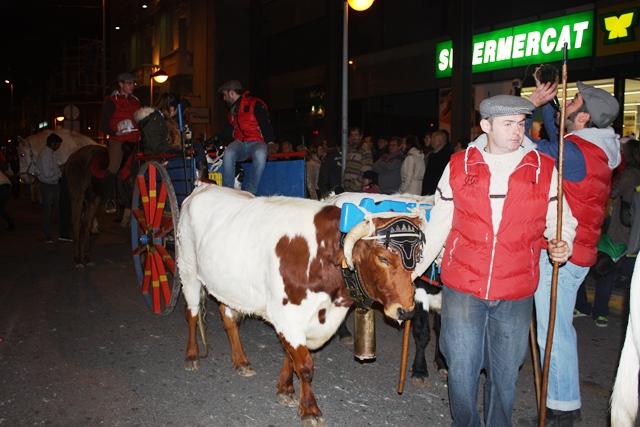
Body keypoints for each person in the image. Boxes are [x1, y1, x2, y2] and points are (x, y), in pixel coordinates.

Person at [421, 95, 575, 427]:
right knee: (461, 370)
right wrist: (413, 270)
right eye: (509, 124)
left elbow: (562, 219)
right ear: (486, 125)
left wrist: (563, 242)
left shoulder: (543, 168)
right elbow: (439, 223)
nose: (517, 131)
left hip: (517, 289)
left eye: (521, 124)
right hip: (464, 285)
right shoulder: (459, 165)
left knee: (505, 376)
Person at [528, 80, 620, 425]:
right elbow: (557, 139)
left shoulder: (577, 154)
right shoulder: (593, 149)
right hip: (577, 252)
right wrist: (550, 110)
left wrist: (530, 108)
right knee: (557, 328)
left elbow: (530, 147)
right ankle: (558, 405)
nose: (567, 101)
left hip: (560, 254)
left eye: (574, 100)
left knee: (554, 332)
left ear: (582, 119)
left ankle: (562, 411)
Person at [575, 139, 640, 327]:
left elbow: (610, 193)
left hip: (618, 231)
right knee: (613, 271)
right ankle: (599, 312)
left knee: (603, 270)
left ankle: (594, 310)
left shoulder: (629, 174)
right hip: (630, 232)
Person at [218, 80, 274, 194]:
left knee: (260, 154)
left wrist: (271, 142)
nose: (224, 98)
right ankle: (227, 192)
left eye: (225, 94)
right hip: (240, 143)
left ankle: (250, 192)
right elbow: (227, 132)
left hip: (257, 141)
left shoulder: (255, 103)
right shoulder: (232, 112)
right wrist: (215, 141)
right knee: (229, 152)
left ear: (232, 93)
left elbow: (265, 124)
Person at [101, 72, 141, 213]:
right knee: (114, 166)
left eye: (133, 83)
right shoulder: (111, 101)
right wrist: (114, 133)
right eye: (129, 83)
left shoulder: (136, 101)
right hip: (118, 140)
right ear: (121, 84)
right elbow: (104, 125)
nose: (132, 86)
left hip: (136, 140)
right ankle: (109, 199)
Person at [36, 133, 64, 243]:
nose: (59, 147)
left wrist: (59, 170)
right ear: (53, 143)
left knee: (55, 209)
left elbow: (55, 169)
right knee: (47, 210)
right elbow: (48, 173)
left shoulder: (52, 153)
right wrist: (59, 173)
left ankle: (54, 232)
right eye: (58, 144)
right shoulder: (45, 154)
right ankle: (47, 234)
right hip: (48, 185)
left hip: (53, 184)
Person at [421, 129, 453, 195]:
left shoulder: (447, 157)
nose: (431, 140)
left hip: (439, 193)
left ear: (440, 141)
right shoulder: (432, 155)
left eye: (433, 138)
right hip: (428, 192)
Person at [342, 127, 373, 192]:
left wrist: (357, 184)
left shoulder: (365, 149)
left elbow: (367, 172)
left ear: (361, 136)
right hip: (347, 188)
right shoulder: (350, 149)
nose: (354, 137)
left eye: (356, 135)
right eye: (352, 135)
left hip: (357, 189)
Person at [0, 157, 15, 231]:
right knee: (1, 208)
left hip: (2, 187)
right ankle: (10, 223)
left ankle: (10, 223)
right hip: (7, 185)